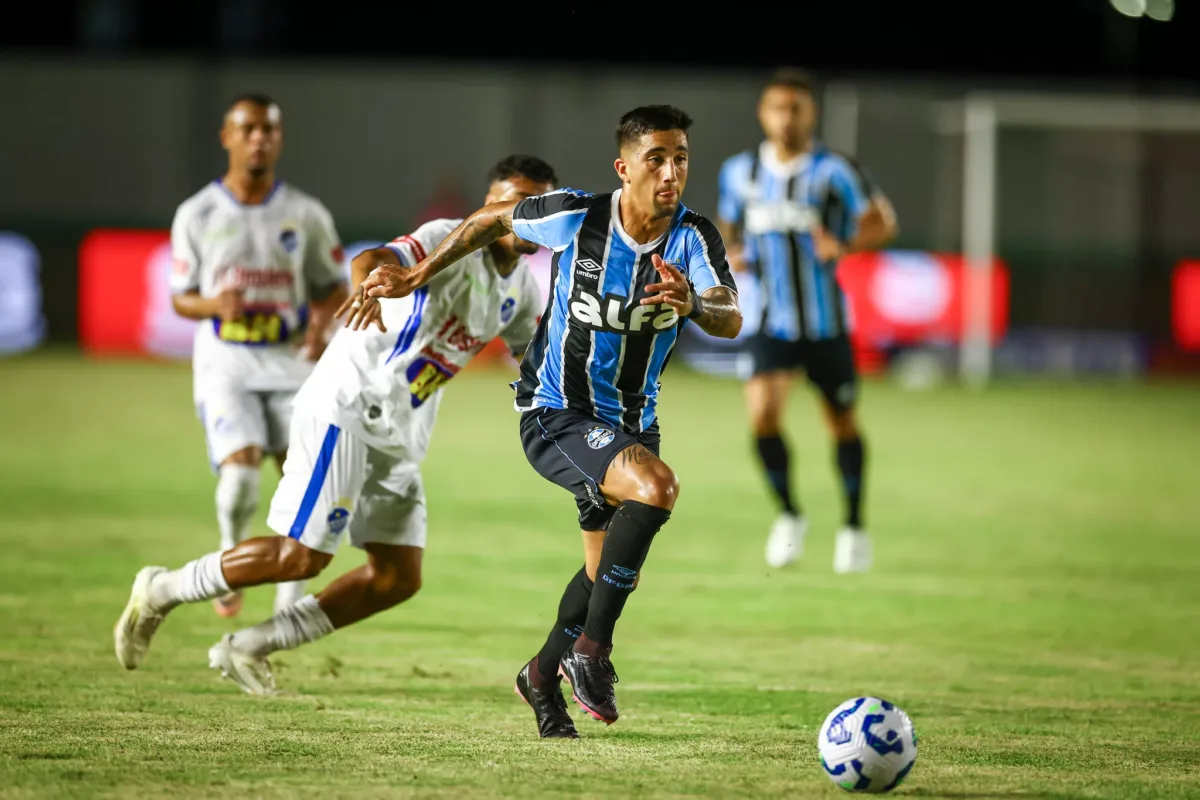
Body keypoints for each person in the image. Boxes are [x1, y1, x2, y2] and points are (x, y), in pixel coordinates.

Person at [357, 106, 743, 738]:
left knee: (605, 572)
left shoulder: (694, 237)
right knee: (656, 487)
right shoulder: (577, 215)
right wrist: (416, 274)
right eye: (656, 159)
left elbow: (730, 314)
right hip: (556, 411)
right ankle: (591, 654)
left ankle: (539, 677)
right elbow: (490, 218)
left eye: (680, 159)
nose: (672, 172)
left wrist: (695, 303)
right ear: (624, 168)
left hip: (631, 423)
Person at [113, 155, 555, 696]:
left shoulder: (523, 290)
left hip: (401, 431)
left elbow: (535, 360)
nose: (524, 215)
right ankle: (162, 588)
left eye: (537, 205)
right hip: (348, 404)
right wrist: (367, 286)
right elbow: (373, 258)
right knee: (301, 555)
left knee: (397, 577)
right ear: (489, 207)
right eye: (514, 203)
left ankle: (249, 645)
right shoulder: (446, 237)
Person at [168, 93, 349, 618]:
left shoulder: (305, 214)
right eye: (247, 129)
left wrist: (320, 331)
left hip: (291, 362)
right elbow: (180, 297)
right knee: (240, 477)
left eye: (268, 130)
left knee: (303, 485)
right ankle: (230, 558)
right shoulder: (198, 213)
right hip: (227, 362)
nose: (258, 139)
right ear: (226, 137)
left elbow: (332, 287)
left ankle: (287, 605)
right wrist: (213, 304)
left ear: (279, 138)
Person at [716, 68, 899, 574]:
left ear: (811, 114)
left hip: (825, 325)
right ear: (763, 113)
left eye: (796, 108)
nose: (787, 118)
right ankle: (789, 515)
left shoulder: (836, 170)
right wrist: (733, 252)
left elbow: (883, 223)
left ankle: (854, 526)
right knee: (762, 417)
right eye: (778, 108)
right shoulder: (740, 172)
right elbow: (728, 226)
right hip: (769, 322)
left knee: (841, 423)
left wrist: (844, 245)